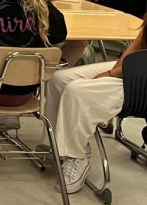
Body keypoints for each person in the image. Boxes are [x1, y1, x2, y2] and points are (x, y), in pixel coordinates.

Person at [44, 12, 146, 194]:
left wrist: (110, 75)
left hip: (141, 80)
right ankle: (58, 145)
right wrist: (113, 71)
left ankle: (77, 155)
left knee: (77, 91)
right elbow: (138, 44)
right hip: (135, 67)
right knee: (59, 79)